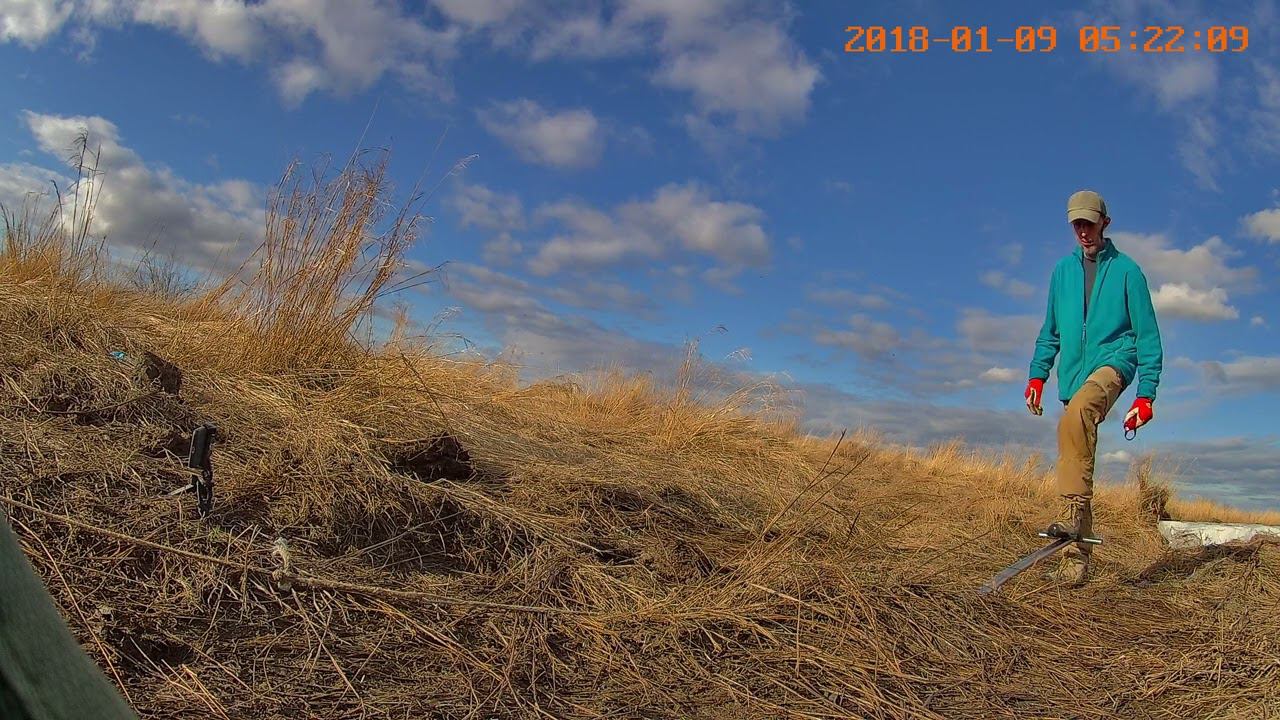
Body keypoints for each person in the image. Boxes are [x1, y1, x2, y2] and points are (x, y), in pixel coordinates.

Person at [1023, 189, 1164, 585]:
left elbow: (1148, 335)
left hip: (1113, 363)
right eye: (1077, 224)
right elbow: (1050, 332)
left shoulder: (1128, 272)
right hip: (1071, 375)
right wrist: (1038, 374)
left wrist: (1146, 394)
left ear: (1105, 222)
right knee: (1074, 444)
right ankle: (1076, 558)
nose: (1083, 231)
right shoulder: (1061, 273)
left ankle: (1069, 512)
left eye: (1090, 222)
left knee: (1079, 413)